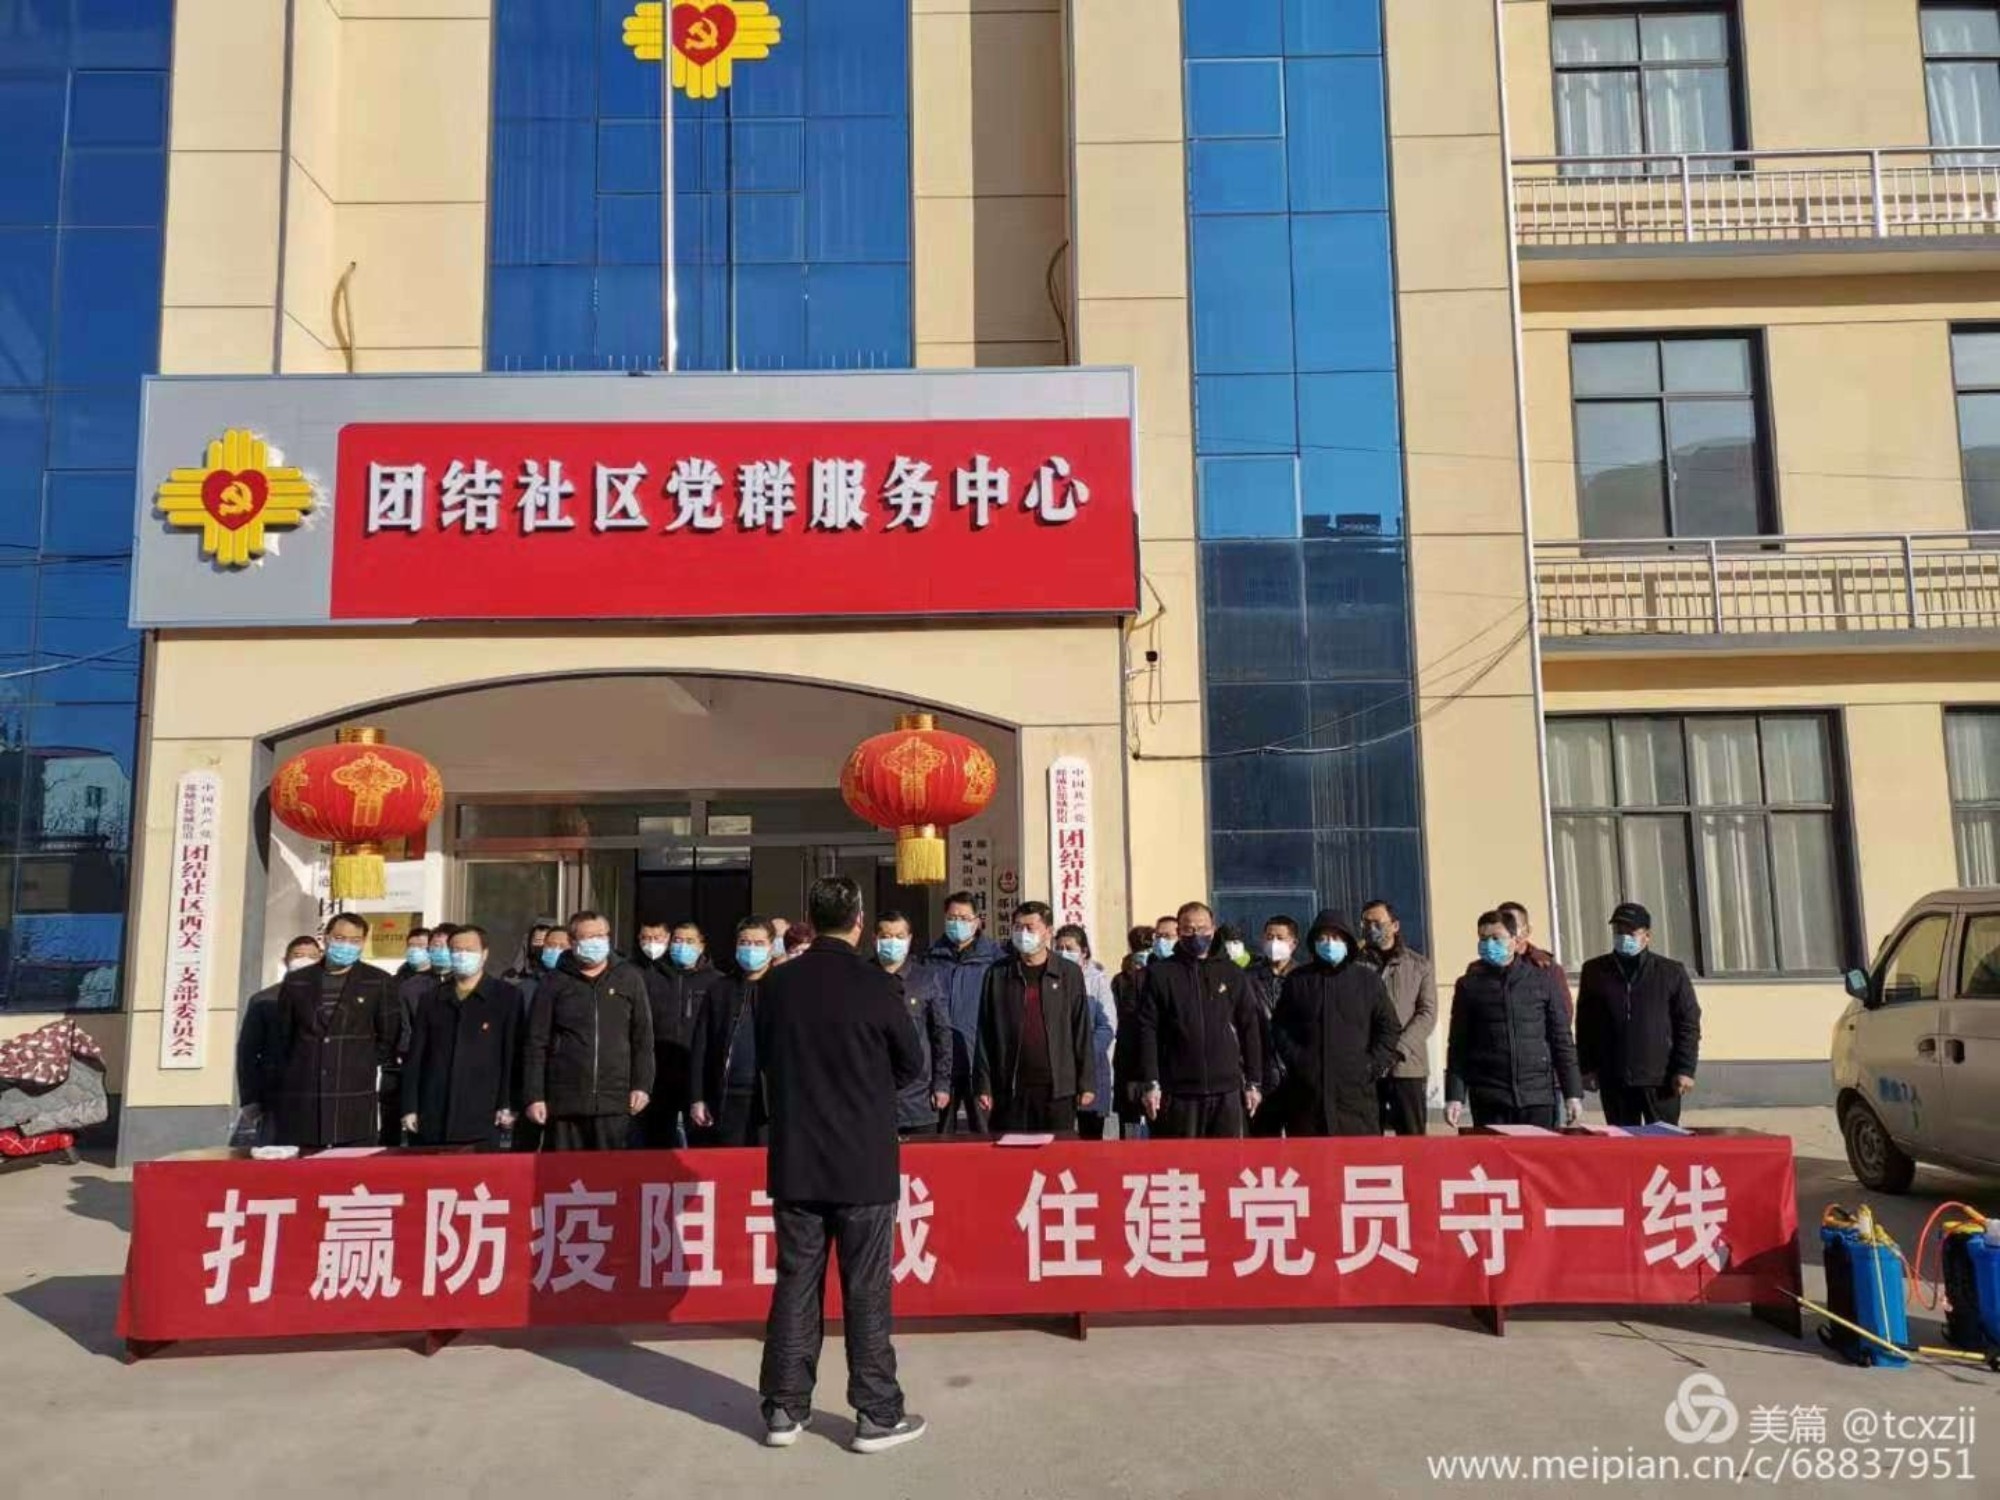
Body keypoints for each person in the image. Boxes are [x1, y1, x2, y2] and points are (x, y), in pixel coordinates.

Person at [755, 875, 926, 1453]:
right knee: (867, 1288)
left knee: (795, 1282)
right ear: (858, 921)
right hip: (863, 1161)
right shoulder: (877, 984)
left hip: (797, 1157)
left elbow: (765, 1057)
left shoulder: (778, 984)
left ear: (811, 916)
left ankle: (784, 1409)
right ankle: (876, 1413)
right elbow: (911, 1063)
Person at [267, 913, 400, 1149]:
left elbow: (389, 1036)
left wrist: (358, 1061)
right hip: (305, 1097)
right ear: (326, 938)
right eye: (340, 938)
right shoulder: (297, 981)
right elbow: (283, 1037)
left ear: (363, 942)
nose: (346, 945)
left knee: (350, 1166)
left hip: (353, 1097)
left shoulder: (378, 981)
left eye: (355, 940)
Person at [523, 911, 653, 1151]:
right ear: (573, 942)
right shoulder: (554, 981)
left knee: (611, 1171)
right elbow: (536, 1042)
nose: (596, 942)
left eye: (601, 936)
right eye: (588, 937)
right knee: (566, 1171)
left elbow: (642, 1038)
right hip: (565, 1101)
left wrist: (642, 1085)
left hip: (615, 1101)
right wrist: (534, 1096)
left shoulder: (629, 977)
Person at [1444, 911, 1583, 1130]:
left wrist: (1573, 1093)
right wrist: (1454, 1096)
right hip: (1490, 1097)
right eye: (1483, 938)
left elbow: (1562, 1040)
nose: (1489, 944)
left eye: (1496, 938)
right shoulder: (1468, 985)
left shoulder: (1542, 980)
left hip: (1537, 1096)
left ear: (1515, 940)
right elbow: (1458, 1046)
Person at [1136, 901, 1264, 1138]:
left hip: (1227, 1088)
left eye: (1202, 928)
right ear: (1179, 932)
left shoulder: (1232, 972)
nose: (1196, 935)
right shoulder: (1161, 974)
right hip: (1179, 1090)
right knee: (1183, 1158)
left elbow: (1249, 1027)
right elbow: (1147, 1030)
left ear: (1213, 929)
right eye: (1188, 929)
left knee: (1228, 1158)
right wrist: (1151, 1081)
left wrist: (1254, 1082)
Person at [1269, 912, 1400, 1137]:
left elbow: (1389, 1028)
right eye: (1323, 938)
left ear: (1347, 941)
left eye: (1336, 938)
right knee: (1309, 1156)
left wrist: (1371, 1065)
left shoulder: (1367, 980)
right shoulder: (1298, 980)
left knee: (1357, 1155)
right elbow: (1280, 1027)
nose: (1329, 943)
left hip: (1355, 1097)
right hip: (1308, 1097)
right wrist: (1298, 1060)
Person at [974, 901, 1096, 1133]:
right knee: (1011, 1152)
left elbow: (1081, 1029)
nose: (1023, 934)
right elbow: (985, 1033)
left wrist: (1086, 1082)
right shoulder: (997, 974)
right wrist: (983, 1084)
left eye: (1030, 928)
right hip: (1010, 1087)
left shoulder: (1068, 973)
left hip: (1057, 1089)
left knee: (1056, 1152)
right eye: (1018, 927)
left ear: (1048, 932)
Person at [1576, 901, 1701, 1126]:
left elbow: (1688, 1024)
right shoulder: (1595, 971)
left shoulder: (1670, 972)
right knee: (1623, 1142)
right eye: (1619, 931)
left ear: (1647, 936)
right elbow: (1585, 1025)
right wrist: (1586, 1068)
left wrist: (1685, 1069)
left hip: (1660, 1079)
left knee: (1664, 1141)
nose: (1624, 937)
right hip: (1614, 1078)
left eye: (1631, 932)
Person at [400, 925, 520, 1148]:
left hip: (483, 1113)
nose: (462, 955)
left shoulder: (506, 996)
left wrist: (507, 1103)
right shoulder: (431, 998)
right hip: (434, 1111)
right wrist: (410, 1106)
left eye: (470, 950)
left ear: (484, 954)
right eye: (456, 950)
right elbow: (416, 1056)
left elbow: (512, 1053)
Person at [689, 918, 778, 1147]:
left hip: (769, 1099)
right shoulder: (720, 989)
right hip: (726, 1095)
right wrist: (697, 1097)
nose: (751, 949)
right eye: (744, 942)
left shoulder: (782, 988)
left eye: (758, 943)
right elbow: (701, 1046)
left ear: (771, 947)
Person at [638, 920, 723, 1149]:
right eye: (677, 940)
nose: (682, 946)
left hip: (699, 1077)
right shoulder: (649, 977)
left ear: (701, 945)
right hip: (658, 1075)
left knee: (701, 1142)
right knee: (656, 1144)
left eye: (689, 941)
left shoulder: (716, 982)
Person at [925, 890, 1004, 1133]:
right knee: (940, 1137)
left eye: (964, 918)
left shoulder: (996, 961)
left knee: (985, 1135)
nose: (957, 923)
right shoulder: (930, 959)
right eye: (952, 918)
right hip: (942, 1066)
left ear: (977, 921)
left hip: (979, 1064)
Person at [1361, 899, 1437, 1136]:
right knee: (1368, 1137)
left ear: (1394, 925)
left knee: (1411, 1138)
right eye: (1366, 923)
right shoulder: (1355, 965)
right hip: (1367, 1065)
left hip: (1407, 1066)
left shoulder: (1419, 965)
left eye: (1377, 922)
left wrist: (1396, 1049)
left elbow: (1427, 1013)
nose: (1371, 928)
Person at [235, 935, 321, 1145]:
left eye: (312, 957)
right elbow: (247, 1052)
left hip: (320, 1095)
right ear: (285, 960)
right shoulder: (264, 999)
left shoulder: (332, 999)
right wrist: (249, 1099)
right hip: (276, 1094)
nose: (305, 961)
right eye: (298, 955)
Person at [875, 910, 953, 1138]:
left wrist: (941, 1084)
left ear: (909, 939)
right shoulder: (862, 977)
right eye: (886, 936)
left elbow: (941, 1034)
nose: (892, 942)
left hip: (918, 1097)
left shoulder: (926, 979)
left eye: (899, 936)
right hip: (873, 1095)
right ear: (875, 939)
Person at [386, 922, 450, 1145]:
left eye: (445, 946)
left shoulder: (468, 986)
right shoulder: (410, 988)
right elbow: (406, 1031)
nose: (440, 951)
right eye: (435, 946)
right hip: (422, 1070)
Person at [1054, 925, 1117, 1139]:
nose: (1063, 952)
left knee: (1090, 1136)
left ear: (1084, 951)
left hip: (1091, 1068)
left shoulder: (1098, 981)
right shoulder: (1050, 978)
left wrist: (1084, 1054)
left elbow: (1107, 1027)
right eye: (1059, 948)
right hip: (1058, 1070)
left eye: (1069, 948)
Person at [1241, 915, 1299, 1136]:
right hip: (1261, 1075)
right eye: (1269, 937)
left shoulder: (1304, 978)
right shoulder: (1247, 979)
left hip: (1297, 1075)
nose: (1274, 942)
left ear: (1293, 943)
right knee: (1262, 1144)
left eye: (1280, 938)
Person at [1109, 925, 1154, 1137]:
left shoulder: (1161, 975)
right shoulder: (1121, 980)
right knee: (1130, 1123)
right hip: (1129, 1059)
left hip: (1155, 1060)